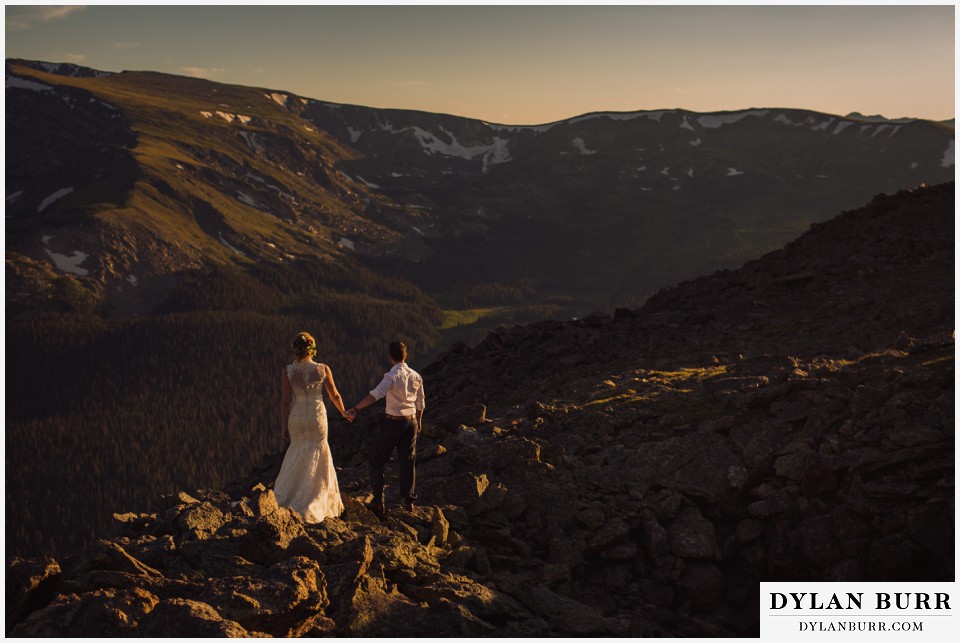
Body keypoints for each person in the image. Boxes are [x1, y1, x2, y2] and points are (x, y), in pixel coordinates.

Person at [273, 331, 349, 523]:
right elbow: (335, 395)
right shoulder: (323, 369)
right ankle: (315, 497)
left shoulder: (288, 371)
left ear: (296, 349)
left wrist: (283, 427)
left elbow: (284, 402)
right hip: (317, 416)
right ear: (312, 349)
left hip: (297, 416)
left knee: (297, 450)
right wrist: (343, 412)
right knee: (318, 450)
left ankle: (288, 496)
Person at [346, 341, 425, 517]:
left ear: (390, 356)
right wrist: (419, 422)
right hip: (411, 421)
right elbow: (420, 403)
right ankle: (408, 500)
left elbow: (376, 394)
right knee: (408, 460)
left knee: (377, 460)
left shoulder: (392, 376)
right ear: (406, 355)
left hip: (394, 422)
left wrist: (356, 408)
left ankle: (378, 502)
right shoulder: (416, 376)